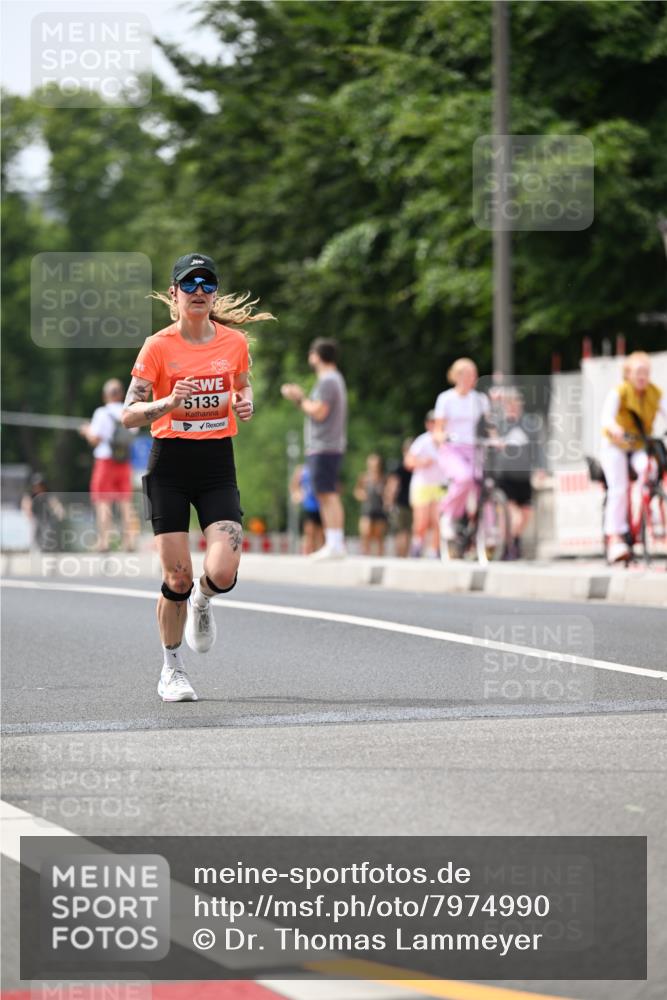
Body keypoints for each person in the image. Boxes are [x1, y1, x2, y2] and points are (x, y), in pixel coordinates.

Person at [122, 252, 272, 702]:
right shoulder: (157, 346)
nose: (200, 292)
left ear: (215, 294)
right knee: (177, 577)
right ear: (174, 294)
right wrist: (167, 403)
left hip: (215, 465)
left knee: (222, 570)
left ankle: (204, 601)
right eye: (190, 284)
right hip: (169, 466)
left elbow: (241, 387)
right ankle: (172, 670)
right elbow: (129, 414)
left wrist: (245, 402)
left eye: (208, 284)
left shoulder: (233, 344)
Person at [281, 338, 348, 559]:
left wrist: (299, 399)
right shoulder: (331, 379)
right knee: (324, 492)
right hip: (326, 445)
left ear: (317, 356)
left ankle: (335, 543)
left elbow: (319, 411)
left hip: (325, 445)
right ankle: (334, 542)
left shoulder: (328, 380)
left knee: (327, 493)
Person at [600, 351, 667, 563]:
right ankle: (615, 538)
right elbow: (606, 419)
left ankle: (648, 509)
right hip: (615, 445)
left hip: (639, 444)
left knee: (649, 468)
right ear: (628, 374)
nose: (642, 377)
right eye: (638, 372)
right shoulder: (619, 392)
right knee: (618, 488)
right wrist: (615, 428)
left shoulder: (655, 393)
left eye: (646, 372)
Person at [433, 358, 490, 544]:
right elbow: (438, 428)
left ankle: (487, 529)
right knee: (464, 478)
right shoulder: (446, 398)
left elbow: (489, 426)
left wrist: (497, 439)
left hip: (474, 448)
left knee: (484, 485)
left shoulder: (480, 399)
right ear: (458, 376)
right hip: (453, 448)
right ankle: (448, 514)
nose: (473, 378)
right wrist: (441, 437)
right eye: (468, 374)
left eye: (474, 374)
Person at [79, 379, 139, 552]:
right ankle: (129, 542)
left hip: (105, 461)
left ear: (105, 395)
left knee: (102, 501)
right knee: (126, 502)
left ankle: (104, 542)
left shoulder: (102, 413)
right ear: (121, 394)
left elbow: (95, 439)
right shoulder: (129, 411)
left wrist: (86, 431)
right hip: (124, 461)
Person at [491, 388, 546, 560]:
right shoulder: (499, 424)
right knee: (512, 514)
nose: (513, 407)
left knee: (526, 514)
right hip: (505, 475)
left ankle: (512, 542)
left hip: (524, 475)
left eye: (516, 403)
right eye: (510, 404)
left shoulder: (529, 425)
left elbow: (537, 449)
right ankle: (508, 547)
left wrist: (541, 467)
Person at [404, 412, 444, 558]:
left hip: (440, 485)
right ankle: (417, 545)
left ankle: (435, 550)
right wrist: (422, 462)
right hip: (422, 485)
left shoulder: (446, 441)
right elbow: (408, 461)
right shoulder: (422, 441)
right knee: (422, 521)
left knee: (438, 520)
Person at [20, 473, 66, 553]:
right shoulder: (30, 494)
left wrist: (60, 510)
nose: (38, 487)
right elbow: (26, 504)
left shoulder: (47, 493)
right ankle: (35, 550)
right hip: (34, 516)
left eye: (40, 485)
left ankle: (49, 549)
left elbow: (54, 503)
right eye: (36, 485)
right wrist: (28, 512)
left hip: (46, 517)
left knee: (48, 531)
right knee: (35, 529)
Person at [354, 453, 388, 555]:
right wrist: (361, 494)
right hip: (367, 509)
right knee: (365, 533)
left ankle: (379, 555)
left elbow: (388, 492)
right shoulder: (363, 477)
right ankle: (365, 554)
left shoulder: (383, 478)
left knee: (379, 535)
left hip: (379, 509)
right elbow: (357, 491)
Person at [385, 438, 413, 557]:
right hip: (411, 502)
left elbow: (393, 486)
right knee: (406, 531)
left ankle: (402, 556)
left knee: (402, 531)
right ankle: (404, 555)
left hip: (402, 503)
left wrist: (389, 502)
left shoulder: (400, 467)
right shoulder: (415, 466)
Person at [289, 463, 324, 555]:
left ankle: (318, 553)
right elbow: (294, 485)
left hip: (322, 505)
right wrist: (296, 495)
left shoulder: (322, 467)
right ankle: (307, 553)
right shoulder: (302, 469)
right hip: (309, 505)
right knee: (309, 532)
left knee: (321, 534)